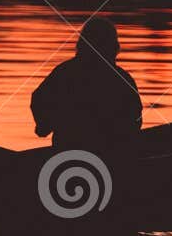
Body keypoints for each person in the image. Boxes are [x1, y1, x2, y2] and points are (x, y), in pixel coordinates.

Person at [31, 18, 142, 152]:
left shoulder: (63, 72)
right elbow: (136, 121)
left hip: (66, 150)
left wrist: (44, 126)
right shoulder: (123, 79)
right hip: (111, 153)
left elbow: (39, 99)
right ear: (114, 47)